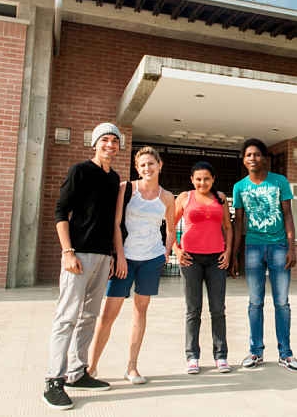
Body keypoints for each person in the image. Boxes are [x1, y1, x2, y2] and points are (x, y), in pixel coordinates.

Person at [44, 122, 123, 410]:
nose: (110, 145)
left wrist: (113, 255)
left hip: (103, 257)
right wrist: (67, 251)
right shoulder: (79, 171)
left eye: (115, 141)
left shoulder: (114, 178)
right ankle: (54, 379)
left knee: (90, 316)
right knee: (66, 317)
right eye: (105, 140)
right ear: (95, 143)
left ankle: (78, 372)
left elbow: (110, 221)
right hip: (78, 255)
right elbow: (60, 211)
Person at [88, 146, 175, 385]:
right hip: (125, 259)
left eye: (151, 163)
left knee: (140, 311)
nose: (147, 168)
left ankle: (132, 367)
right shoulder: (126, 189)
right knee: (108, 315)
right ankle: (91, 367)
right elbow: (115, 224)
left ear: (160, 165)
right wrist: (121, 256)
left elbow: (171, 228)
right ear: (137, 168)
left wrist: (166, 252)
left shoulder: (167, 197)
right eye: (143, 165)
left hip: (151, 260)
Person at [231, 138, 297, 372]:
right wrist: (235, 255)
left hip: (279, 245)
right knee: (255, 302)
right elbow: (239, 221)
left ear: (264, 158)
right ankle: (256, 352)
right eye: (248, 155)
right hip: (253, 246)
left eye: (256, 154)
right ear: (243, 160)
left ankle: (286, 354)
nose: (252, 158)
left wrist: (291, 247)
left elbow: (288, 215)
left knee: (282, 302)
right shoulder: (240, 187)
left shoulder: (279, 181)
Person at [172, 161, 233, 374]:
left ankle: (221, 355)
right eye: (198, 179)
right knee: (193, 310)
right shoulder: (184, 197)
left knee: (218, 309)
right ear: (192, 180)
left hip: (216, 259)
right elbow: (169, 225)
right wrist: (177, 251)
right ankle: (192, 356)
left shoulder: (221, 198)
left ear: (213, 179)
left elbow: (227, 226)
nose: (202, 182)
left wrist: (227, 252)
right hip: (191, 260)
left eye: (206, 178)